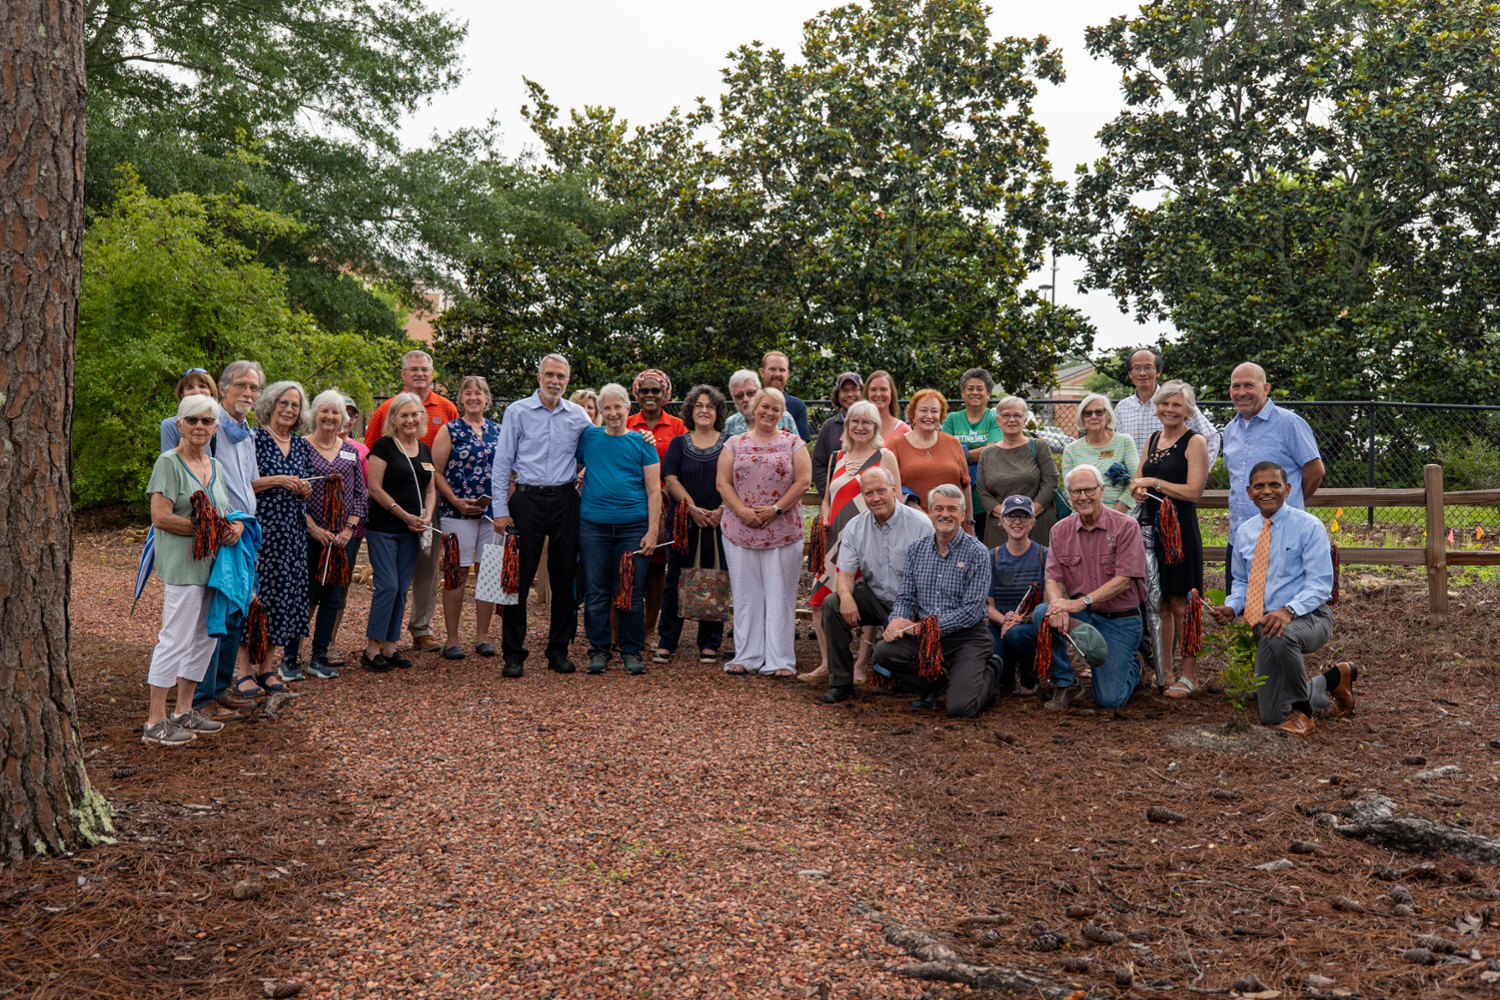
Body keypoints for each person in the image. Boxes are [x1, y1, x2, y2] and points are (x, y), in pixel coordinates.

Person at [1210, 461, 1357, 735]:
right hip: (1265, 625)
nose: (1267, 491)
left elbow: (1320, 584)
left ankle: (1303, 712)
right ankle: (1334, 679)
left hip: (1310, 617)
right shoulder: (1245, 532)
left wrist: (1288, 610)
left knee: (1282, 633)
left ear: (1287, 489)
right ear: (1249, 492)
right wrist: (1232, 606)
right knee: (1272, 715)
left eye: (1274, 484)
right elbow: (1242, 581)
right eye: (1259, 486)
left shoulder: (1308, 526)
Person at [141, 394, 244, 745]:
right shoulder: (168, 463)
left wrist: (235, 528)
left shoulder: (214, 466)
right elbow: (161, 517)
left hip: (214, 568)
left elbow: (222, 512)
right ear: (180, 425)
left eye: (206, 421)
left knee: (204, 639)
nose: (200, 426)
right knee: (175, 639)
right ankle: (155, 721)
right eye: (192, 420)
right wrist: (209, 531)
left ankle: (184, 710)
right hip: (184, 567)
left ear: (215, 428)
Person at [490, 353, 594, 676]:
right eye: (549, 374)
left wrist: (640, 437)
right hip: (526, 501)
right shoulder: (517, 411)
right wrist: (500, 510)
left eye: (561, 376)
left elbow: (601, 446)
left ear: (567, 380)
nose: (555, 381)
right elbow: (502, 462)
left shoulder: (578, 416)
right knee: (517, 579)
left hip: (566, 500)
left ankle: (558, 650)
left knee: (565, 580)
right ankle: (513, 654)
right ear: (538, 377)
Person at [363, 350, 459, 653]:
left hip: (429, 507)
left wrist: (433, 510)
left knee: (427, 572)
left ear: (433, 374)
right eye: (413, 369)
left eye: (425, 369)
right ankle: (378, 643)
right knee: (391, 581)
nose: (419, 374)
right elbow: (370, 459)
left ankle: (420, 628)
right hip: (390, 511)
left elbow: (453, 457)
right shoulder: (386, 409)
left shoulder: (446, 408)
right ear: (403, 374)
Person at [184, 360, 265, 716]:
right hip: (218, 534)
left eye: (254, 388)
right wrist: (222, 525)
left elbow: (248, 483)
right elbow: (199, 481)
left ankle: (219, 689)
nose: (248, 393)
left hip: (242, 533)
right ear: (224, 387)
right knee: (213, 616)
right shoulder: (209, 426)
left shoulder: (246, 432)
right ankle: (200, 699)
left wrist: (246, 524)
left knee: (236, 612)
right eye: (242, 386)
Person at [872, 484, 994, 717]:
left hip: (966, 637)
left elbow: (971, 611)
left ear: (963, 514)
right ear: (929, 513)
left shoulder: (977, 552)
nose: (945, 514)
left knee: (960, 709)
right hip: (926, 635)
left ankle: (990, 673)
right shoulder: (917, 550)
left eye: (952, 509)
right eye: (938, 508)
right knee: (884, 652)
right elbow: (906, 596)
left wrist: (920, 628)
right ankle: (934, 684)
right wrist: (896, 622)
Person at [1033, 466, 1148, 711]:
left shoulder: (1126, 526)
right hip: (1083, 617)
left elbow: (1125, 579)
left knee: (1109, 700)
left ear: (1102, 490)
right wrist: (1058, 607)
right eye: (1076, 491)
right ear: (1068, 495)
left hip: (1120, 620)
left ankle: (1134, 665)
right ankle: (1066, 683)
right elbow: (1052, 578)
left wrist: (1078, 603)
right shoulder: (1059, 530)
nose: (1082, 496)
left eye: (1089, 490)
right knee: (1043, 613)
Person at [716, 387, 812, 676]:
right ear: (753, 408)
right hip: (739, 529)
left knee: (780, 596)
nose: (769, 413)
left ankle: (780, 660)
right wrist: (743, 511)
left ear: (782, 413)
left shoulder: (793, 443)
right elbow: (723, 483)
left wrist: (776, 509)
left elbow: (804, 481)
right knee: (745, 595)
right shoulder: (734, 443)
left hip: (781, 530)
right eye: (765, 407)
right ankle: (747, 656)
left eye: (776, 409)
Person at [820, 466, 933, 703]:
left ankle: (917, 678)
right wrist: (847, 598)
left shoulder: (920, 524)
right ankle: (841, 682)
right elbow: (845, 575)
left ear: (894, 490)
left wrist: (907, 617)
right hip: (877, 599)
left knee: (909, 664)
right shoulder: (855, 526)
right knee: (832, 603)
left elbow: (931, 580)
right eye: (869, 493)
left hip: (915, 606)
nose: (875, 498)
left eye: (881, 490)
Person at [804, 400, 901, 680]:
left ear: (875, 427)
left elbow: (896, 499)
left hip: (869, 539)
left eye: (866, 422)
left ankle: (859, 666)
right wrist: (823, 516)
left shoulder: (885, 456)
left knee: (864, 599)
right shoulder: (837, 457)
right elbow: (827, 499)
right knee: (819, 601)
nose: (860, 427)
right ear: (846, 426)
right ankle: (828, 663)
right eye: (855, 422)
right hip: (834, 540)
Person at [1129, 381, 1210, 698]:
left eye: (1176, 405)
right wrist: (1139, 486)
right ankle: (1165, 672)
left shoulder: (1195, 442)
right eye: (1164, 404)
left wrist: (1154, 482)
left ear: (1188, 410)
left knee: (1182, 602)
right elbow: (1139, 480)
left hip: (1179, 533)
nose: (1169, 410)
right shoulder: (1152, 439)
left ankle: (1189, 675)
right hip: (1150, 529)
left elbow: (1194, 492)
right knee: (1158, 600)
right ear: (1156, 408)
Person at [576, 383, 663, 675]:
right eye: (607, 408)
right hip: (594, 526)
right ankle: (599, 650)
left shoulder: (643, 443)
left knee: (630, 591)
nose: (613, 413)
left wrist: (652, 532)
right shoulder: (588, 436)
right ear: (600, 411)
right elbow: (570, 463)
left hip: (633, 526)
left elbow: (654, 491)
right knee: (597, 591)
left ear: (628, 408)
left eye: (618, 407)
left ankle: (631, 650)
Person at [286, 390, 367, 679]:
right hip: (308, 534)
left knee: (332, 596)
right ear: (314, 414)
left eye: (336, 413)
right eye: (325, 411)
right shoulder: (300, 447)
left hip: (341, 538)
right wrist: (313, 528)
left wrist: (349, 529)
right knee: (303, 595)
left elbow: (359, 494)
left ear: (343, 418)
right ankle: (289, 659)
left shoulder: (350, 451)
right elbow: (293, 494)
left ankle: (319, 657)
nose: (330, 417)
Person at [1222, 362, 1325, 567]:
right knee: (1240, 597)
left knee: (1280, 598)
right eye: (1236, 386)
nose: (1242, 392)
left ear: (1266, 388)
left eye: (1249, 385)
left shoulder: (1289, 423)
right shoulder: (1229, 430)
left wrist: (1286, 501)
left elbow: (1315, 471)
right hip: (1240, 539)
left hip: (1283, 538)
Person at [363, 393, 436, 672]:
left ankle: (391, 648)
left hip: (414, 531)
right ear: (393, 419)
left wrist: (426, 516)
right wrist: (404, 515)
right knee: (389, 586)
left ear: (422, 417)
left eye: (414, 414)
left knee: (402, 588)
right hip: (384, 528)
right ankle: (372, 649)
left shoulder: (425, 450)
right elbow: (375, 488)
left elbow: (430, 490)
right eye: (403, 415)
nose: (410, 419)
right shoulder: (384, 446)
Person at [432, 376, 501, 661]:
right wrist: (454, 500)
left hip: (492, 514)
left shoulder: (499, 431)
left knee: (488, 573)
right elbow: (435, 472)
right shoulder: (449, 430)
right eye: (467, 393)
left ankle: (483, 637)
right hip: (456, 511)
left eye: (479, 393)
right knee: (456, 573)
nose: (473, 397)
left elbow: (508, 470)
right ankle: (452, 639)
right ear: (460, 399)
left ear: (487, 398)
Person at [659, 385, 730, 665]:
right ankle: (667, 640)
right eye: (698, 405)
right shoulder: (679, 442)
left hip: (719, 522)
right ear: (690, 410)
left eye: (710, 406)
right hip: (683, 523)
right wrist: (692, 509)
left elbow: (736, 480)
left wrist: (723, 510)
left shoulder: (730, 442)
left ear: (718, 412)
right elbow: (671, 478)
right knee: (675, 580)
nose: (703, 410)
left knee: (716, 579)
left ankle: (710, 643)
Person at [251, 381, 313, 685]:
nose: (289, 409)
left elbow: (304, 484)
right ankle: (245, 671)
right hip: (263, 531)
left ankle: (268, 668)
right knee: (259, 597)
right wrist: (279, 479)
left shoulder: (301, 444)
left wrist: (304, 489)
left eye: (295, 405)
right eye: (284, 403)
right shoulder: (255, 438)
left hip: (292, 534)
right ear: (271, 404)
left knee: (284, 598)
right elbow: (242, 484)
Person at [626, 369, 687, 652]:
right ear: (636, 394)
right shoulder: (625, 422)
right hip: (627, 504)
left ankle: (650, 630)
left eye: (656, 391)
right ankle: (619, 630)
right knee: (624, 566)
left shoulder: (677, 426)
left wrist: (662, 492)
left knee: (656, 570)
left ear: (666, 395)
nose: (650, 395)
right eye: (644, 391)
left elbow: (682, 465)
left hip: (663, 507)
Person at [984, 496, 1047, 696]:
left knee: (1016, 636)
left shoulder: (1044, 555)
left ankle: (1031, 680)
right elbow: (987, 604)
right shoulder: (992, 557)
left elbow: (1048, 601)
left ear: (1032, 522)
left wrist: (1020, 621)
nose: (1017, 522)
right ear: (1001, 521)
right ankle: (1008, 678)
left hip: (1030, 626)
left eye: (1023, 516)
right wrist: (1005, 621)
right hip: (999, 623)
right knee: (996, 657)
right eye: (1011, 516)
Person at [1113, 348, 1221, 463]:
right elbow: (1115, 445)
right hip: (1135, 479)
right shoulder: (1122, 408)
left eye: (1148, 367)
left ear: (1158, 371)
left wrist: (1198, 472)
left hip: (1170, 479)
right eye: (1136, 368)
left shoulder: (1178, 401)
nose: (1142, 373)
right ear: (1130, 373)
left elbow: (1212, 437)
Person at [976, 396, 1058, 547]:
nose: (1011, 420)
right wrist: (1008, 516)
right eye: (1006, 415)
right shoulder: (987, 454)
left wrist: (1026, 515)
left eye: (1017, 415)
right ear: (998, 420)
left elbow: (1050, 484)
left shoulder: (1039, 447)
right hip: (1000, 528)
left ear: (1025, 420)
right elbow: (983, 492)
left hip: (1036, 525)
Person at [326, 396, 370, 664]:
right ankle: (293, 650)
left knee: (339, 588)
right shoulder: (308, 444)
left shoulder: (362, 450)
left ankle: (329, 644)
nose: (347, 418)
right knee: (309, 587)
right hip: (315, 529)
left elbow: (363, 491)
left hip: (352, 531)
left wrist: (350, 526)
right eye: (342, 412)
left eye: (352, 414)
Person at [888, 390, 970, 523]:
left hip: (952, 524)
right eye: (923, 410)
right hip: (912, 523)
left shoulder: (953, 443)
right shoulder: (896, 444)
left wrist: (970, 524)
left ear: (941, 416)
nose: (929, 415)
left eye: (934, 411)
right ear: (912, 415)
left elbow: (965, 485)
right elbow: (890, 488)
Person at [942, 368, 1002, 523]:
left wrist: (961, 453)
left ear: (988, 393)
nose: (975, 392)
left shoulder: (994, 418)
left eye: (980, 388)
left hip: (988, 497)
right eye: (970, 388)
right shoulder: (951, 419)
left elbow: (992, 451)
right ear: (963, 392)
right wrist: (974, 455)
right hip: (956, 495)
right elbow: (946, 454)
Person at [1061, 392, 1138, 513]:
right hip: (1084, 516)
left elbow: (1135, 481)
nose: (1093, 416)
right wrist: (1087, 513)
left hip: (1120, 516)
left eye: (1099, 412)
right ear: (1081, 418)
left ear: (1108, 415)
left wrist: (1114, 516)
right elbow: (1068, 489)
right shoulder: (1071, 450)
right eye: (1088, 413)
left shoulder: (1124, 442)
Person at [811, 372, 865, 496]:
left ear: (862, 392)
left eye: (854, 389)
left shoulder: (872, 424)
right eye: (844, 390)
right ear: (837, 394)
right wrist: (828, 495)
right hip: (837, 497)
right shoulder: (828, 426)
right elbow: (819, 464)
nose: (850, 394)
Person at [159, 368, 219, 452]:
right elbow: (169, 463)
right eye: (189, 388)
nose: (197, 391)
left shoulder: (219, 423)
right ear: (182, 395)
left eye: (202, 386)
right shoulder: (170, 425)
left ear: (211, 392)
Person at [724, 370, 798, 436]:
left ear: (760, 391)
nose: (746, 399)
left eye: (751, 393)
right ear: (733, 398)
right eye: (739, 396)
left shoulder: (785, 418)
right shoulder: (729, 425)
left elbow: (798, 448)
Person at [761, 350, 811, 441]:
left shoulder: (797, 406)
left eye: (782, 370)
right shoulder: (753, 405)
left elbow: (800, 445)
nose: (777, 374)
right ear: (762, 372)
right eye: (772, 369)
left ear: (787, 374)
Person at [864, 369, 910, 443]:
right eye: (873, 390)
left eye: (883, 389)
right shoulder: (856, 426)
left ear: (891, 394)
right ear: (867, 394)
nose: (878, 394)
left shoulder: (904, 430)